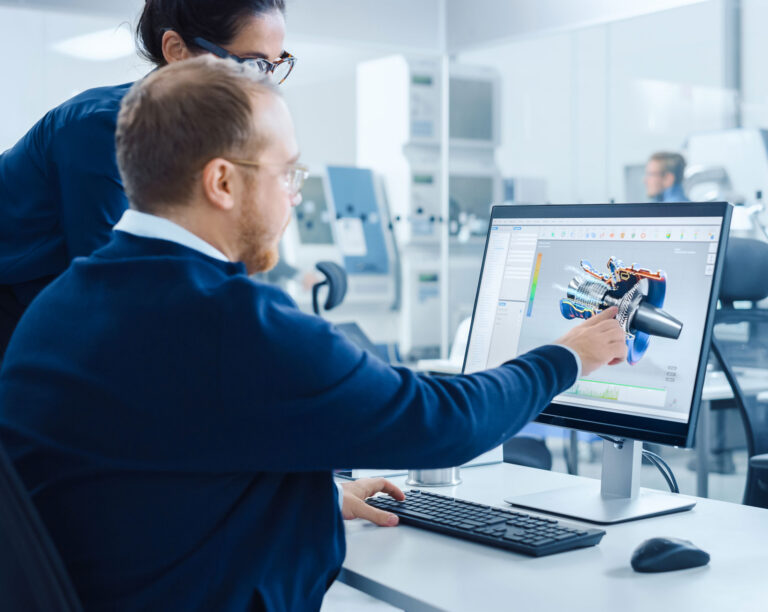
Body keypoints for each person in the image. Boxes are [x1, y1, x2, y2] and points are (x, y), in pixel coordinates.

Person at [0, 57, 627, 610]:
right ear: (222, 182)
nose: (294, 199)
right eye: (286, 175)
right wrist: (567, 356)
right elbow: (446, 422)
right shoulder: (232, 324)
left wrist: (313, 497)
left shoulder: (60, 305)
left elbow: (143, 483)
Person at [0, 0, 295, 360]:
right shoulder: (101, 128)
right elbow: (117, 287)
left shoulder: (207, 145)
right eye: (253, 66)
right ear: (176, 50)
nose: (267, 89)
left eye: (275, 66)